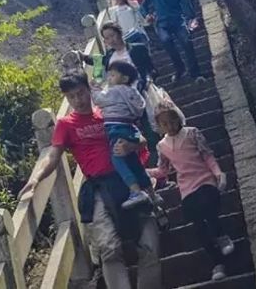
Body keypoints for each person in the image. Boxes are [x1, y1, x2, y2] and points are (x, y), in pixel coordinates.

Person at [18, 72, 162, 289]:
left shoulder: (108, 112)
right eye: (71, 97)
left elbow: (140, 139)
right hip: (97, 188)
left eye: (81, 93)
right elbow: (53, 156)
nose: (78, 100)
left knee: (149, 245)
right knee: (109, 248)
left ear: (89, 89)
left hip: (130, 182)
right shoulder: (66, 125)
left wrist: (131, 146)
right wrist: (35, 179)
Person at [150, 108, 234, 281]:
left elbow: (207, 156)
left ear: (179, 118)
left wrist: (219, 174)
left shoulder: (192, 133)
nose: (170, 126)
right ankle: (217, 262)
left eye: (172, 121)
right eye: (164, 123)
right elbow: (163, 170)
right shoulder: (162, 146)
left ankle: (221, 235)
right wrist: (146, 172)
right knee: (196, 223)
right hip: (186, 187)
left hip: (204, 178)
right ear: (159, 126)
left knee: (207, 206)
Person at [91, 61, 155, 208]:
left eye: (113, 75)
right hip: (130, 128)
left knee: (117, 159)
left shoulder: (116, 90)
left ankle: (135, 191)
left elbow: (100, 100)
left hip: (116, 128)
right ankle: (152, 194)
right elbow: (138, 110)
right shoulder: (133, 92)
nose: (109, 79)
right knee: (134, 161)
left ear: (124, 78)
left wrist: (94, 89)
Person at [141, 0, 203, 80]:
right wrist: (148, 15)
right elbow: (143, 6)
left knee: (186, 42)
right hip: (161, 23)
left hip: (178, 20)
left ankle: (195, 72)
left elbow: (186, 4)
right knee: (166, 40)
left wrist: (191, 18)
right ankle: (180, 68)